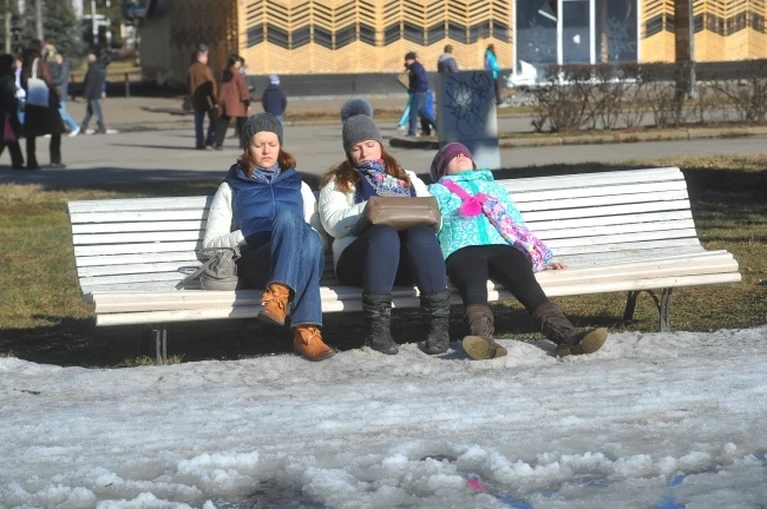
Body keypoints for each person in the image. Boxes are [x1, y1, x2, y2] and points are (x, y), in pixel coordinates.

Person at [427, 143, 608, 360]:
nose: (460, 156)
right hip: (461, 249)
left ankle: (568, 337)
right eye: (452, 156)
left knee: (527, 283)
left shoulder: (494, 188)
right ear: (442, 169)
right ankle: (482, 341)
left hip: (501, 246)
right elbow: (431, 226)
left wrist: (539, 257)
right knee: (473, 285)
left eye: (464, 153)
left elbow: (516, 225)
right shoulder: (437, 191)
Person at [318, 101, 450, 356]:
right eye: (356, 148)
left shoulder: (406, 176)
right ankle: (377, 331)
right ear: (348, 153)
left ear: (380, 145)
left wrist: (403, 209)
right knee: (384, 233)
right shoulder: (338, 181)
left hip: (407, 262)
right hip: (359, 262)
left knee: (422, 234)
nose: (364, 153)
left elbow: (436, 219)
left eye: (370, 145)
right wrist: (373, 207)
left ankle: (438, 329)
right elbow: (333, 225)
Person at [202, 113, 334, 361]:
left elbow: (320, 240)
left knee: (303, 233)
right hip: (259, 263)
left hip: (302, 259)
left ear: (280, 146)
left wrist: (293, 231)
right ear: (247, 148)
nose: (266, 150)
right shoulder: (231, 188)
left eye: (272, 144)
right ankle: (306, 331)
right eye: (259, 144)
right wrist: (249, 234)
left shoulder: (300, 187)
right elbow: (210, 245)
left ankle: (279, 300)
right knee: (289, 219)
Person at [21, 39, 65, 169]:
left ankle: (31, 161)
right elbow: (47, 78)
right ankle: (55, 159)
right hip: (45, 102)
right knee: (56, 129)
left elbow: (23, 82)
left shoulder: (26, 62)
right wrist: (55, 93)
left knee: (31, 133)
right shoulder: (39, 62)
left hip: (32, 101)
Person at [214, 54, 250, 150]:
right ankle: (244, 143)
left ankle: (218, 143)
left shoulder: (223, 74)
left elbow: (218, 88)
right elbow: (243, 90)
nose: (240, 63)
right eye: (238, 61)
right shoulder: (238, 75)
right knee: (242, 123)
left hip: (225, 103)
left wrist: (218, 101)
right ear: (235, 63)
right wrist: (247, 103)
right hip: (238, 103)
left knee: (223, 123)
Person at [187, 44, 217, 149]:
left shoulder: (191, 69)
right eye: (207, 55)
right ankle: (210, 139)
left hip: (196, 99)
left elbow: (189, 85)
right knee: (214, 120)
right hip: (208, 100)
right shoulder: (206, 69)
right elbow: (213, 86)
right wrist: (216, 100)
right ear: (203, 56)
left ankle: (199, 142)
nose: (207, 58)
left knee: (198, 122)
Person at [404, 51, 436, 137]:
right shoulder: (417, 66)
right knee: (422, 112)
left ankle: (412, 132)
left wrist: (414, 88)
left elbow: (420, 78)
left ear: (409, 59)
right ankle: (437, 127)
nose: (406, 62)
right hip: (423, 91)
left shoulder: (415, 67)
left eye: (406, 60)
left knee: (413, 112)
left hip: (419, 91)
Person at [0, 54, 24, 168]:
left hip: (2, 108)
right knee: (8, 135)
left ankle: (18, 161)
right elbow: (9, 93)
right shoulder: (8, 75)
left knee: (9, 135)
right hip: (7, 110)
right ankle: (17, 161)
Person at [49, 51, 79, 136]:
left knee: (61, 112)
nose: (56, 58)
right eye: (55, 57)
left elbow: (61, 79)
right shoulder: (55, 66)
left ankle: (74, 126)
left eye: (57, 57)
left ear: (61, 57)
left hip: (61, 93)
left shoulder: (64, 67)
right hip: (55, 92)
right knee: (54, 113)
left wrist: (51, 82)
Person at [79, 52, 107, 135]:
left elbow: (89, 83)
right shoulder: (97, 68)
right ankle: (83, 126)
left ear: (89, 60)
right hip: (96, 92)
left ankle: (101, 127)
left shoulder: (92, 69)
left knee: (96, 112)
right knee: (90, 111)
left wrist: (85, 95)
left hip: (93, 94)